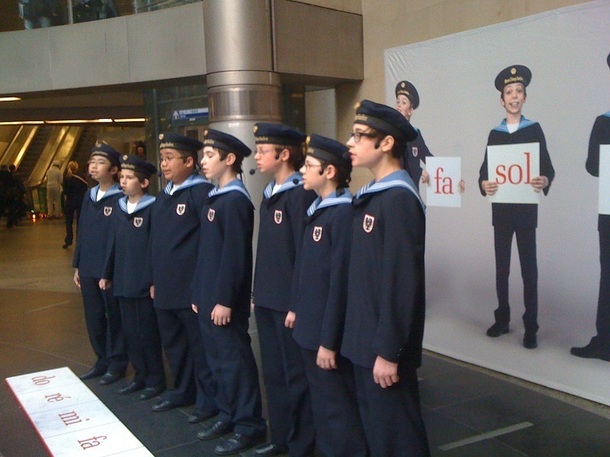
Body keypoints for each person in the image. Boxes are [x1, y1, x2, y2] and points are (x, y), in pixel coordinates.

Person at [342, 99, 430, 457]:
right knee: (379, 432)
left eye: (361, 136)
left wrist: (388, 351)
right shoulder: (374, 198)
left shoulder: (398, 200)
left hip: (382, 346)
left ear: (387, 143)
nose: (350, 142)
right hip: (365, 339)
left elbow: (400, 283)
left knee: (397, 435)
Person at [291, 134, 368, 457]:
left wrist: (328, 341)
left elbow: (339, 285)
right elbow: (307, 271)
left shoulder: (341, 215)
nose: (303, 171)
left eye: (309, 166)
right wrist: (296, 308)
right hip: (309, 326)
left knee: (337, 406)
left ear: (330, 172)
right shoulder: (318, 210)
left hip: (326, 333)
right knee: (321, 403)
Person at [192, 129, 267, 456]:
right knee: (217, 361)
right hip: (208, 296)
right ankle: (227, 413)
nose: (202, 161)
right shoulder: (215, 196)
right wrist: (200, 292)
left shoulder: (235, 200)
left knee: (234, 362)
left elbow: (235, 257)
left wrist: (223, 299)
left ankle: (248, 424)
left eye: (210, 156)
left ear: (230, 159)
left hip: (225, 301)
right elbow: (208, 253)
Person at [478, 65, 555, 349]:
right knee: (502, 269)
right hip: (501, 210)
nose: (514, 96)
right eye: (508, 92)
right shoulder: (494, 134)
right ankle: (502, 319)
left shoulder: (534, 129)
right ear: (502, 100)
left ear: (524, 97)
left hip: (525, 210)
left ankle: (531, 326)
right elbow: (484, 172)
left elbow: (547, 167)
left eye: (519, 91)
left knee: (529, 270)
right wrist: (484, 183)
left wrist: (544, 179)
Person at [251, 123, 316, 457]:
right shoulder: (269, 193)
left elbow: (302, 255)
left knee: (296, 377)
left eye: (263, 150)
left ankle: (302, 443)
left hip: (288, 304)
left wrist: (296, 303)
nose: (257, 156)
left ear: (284, 154)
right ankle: (280, 438)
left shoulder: (299, 193)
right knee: (274, 374)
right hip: (266, 299)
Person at [148, 132, 218, 423]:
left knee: (199, 347)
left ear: (189, 162)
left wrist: (201, 286)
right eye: (162, 159)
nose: (164, 165)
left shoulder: (200, 193)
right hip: (165, 286)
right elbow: (155, 241)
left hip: (189, 287)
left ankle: (208, 398)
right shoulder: (164, 195)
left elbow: (207, 244)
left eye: (169, 159)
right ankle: (183, 388)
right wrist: (153, 279)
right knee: (174, 345)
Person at [99, 154, 165, 399]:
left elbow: (155, 247)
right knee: (130, 332)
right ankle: (139, 375)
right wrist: (107, 273)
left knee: (147, 332)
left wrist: (153, 280)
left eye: (129, 178)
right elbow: (112, 243)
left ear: (144, 183)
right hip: (123, 279)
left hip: (142, 281)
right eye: (122, 177)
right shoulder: (119, 207)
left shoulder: (153, 207)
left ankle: (155, 379)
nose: (123, 182)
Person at [73, 142, 128, 384]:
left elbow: (117, 238)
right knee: (93, 316)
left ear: (114, 170)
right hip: (88, 267)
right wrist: (77, 264)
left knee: (113, 316)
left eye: (100, 163)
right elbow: (82, 230)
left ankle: (117, 362)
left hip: (109, 269)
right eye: (92, 162)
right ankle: (101, 359)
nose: (93, 167)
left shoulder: (120, 198)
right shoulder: (88, 196)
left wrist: (111, 268)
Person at [570, 53, 610, 363]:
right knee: (608, 275)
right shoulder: (603, 121)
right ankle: (604, 340)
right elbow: (592, 166)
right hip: (609, 213)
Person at [395, 81, 433, 188]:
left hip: (413, 190)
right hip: (398, 188)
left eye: (403, 103)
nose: (399, 106)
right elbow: (398, 162)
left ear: (410, 111)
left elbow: (428, 157)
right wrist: (420, 171)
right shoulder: (391, 134)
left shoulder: (415, 134)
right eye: (398, 102)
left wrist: (452, 176)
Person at [62, 161, 88, 248]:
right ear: (77, 168)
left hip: (70, 201)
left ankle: (68, 239)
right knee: (79, 221)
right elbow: (85, 189)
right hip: (80, 201)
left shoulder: (67, 178)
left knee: (69, 221)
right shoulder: (81, 178)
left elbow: (65, 191)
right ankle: (79, 239)